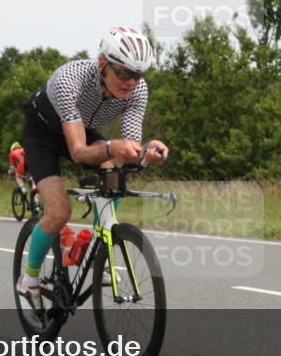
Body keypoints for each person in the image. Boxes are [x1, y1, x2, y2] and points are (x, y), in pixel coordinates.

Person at [15, 27, 169, 313]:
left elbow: (130, 150)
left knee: (114, 175)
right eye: (123, 73)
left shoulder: (138, 91)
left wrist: (146, 154)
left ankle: (103, 247)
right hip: (43, 133)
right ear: (102, 65)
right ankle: (29, 278)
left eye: (138, 75)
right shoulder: (70, 79)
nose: (131, 82)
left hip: (82, 129)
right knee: (59, 211)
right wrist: (113, 147)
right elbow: (78, 152)